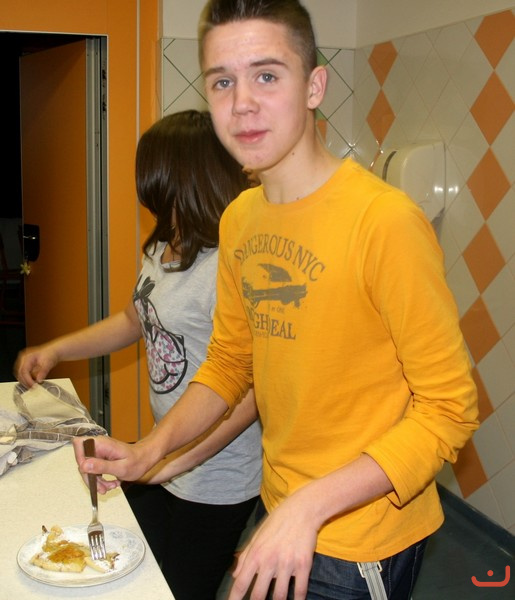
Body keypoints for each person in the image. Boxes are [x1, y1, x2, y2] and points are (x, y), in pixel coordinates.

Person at [72, 2, 479, 599]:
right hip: (281, 503)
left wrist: (309, 506)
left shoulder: (383, 222)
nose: (242, 103)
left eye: (267, 75)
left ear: (314, 86)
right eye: (222, 82)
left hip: (362, 535)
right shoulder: (241, 218)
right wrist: (149, 451)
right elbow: (229, 363)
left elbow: (449, 409)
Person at [15, 110, 263, 600]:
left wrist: (169, 459)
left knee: (179, 589)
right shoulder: (164, 246)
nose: (147, 198)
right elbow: (134, 319)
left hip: (216, 477)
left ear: (184, 183)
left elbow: (250, 393)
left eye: (154, 184)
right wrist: (57, 349)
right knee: (140, 573)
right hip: (163, 452)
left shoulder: (228, 266)